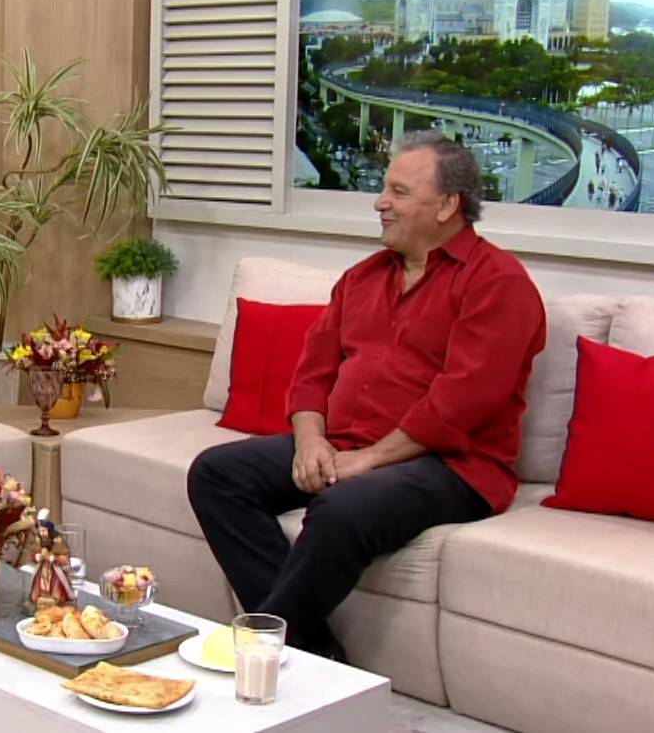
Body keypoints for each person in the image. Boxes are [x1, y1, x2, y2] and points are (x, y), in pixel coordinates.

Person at [188, 130, 545, 662]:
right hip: (347, 444)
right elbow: (312, 374)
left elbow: (463, 401)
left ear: (447, 205)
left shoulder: (498, 283)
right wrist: (311, 441)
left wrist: (372, 459)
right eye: (384, 189)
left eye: (398, 192)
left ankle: (258, 651)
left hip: (452, 466)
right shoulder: (361, 278)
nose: (380, 203)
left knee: (341, 508)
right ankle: (310, 652)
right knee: (217, 475)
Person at [28, 509, 74, 610]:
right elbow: (32, 553)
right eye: (40, 531)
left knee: (57, 595)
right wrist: (37, 556)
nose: (42, 533)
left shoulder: (57, 540)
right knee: (35, 595)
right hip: (42, 569)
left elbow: (65, 558)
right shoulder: (38, 539)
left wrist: (53, 558)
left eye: (44, 531)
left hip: (55, 570)